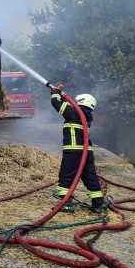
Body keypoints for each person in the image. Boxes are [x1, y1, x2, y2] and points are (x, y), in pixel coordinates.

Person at [50, 85, 104, 213]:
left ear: (81, 102)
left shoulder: (74, 112)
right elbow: (65, 105)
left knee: (66, 176)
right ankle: (97, 205)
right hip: (87, 152)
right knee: (90, 177)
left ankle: (66, 204)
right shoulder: (86, 116)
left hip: (74, 152)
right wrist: (61, 94)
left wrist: (56, 93)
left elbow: (56, 103)